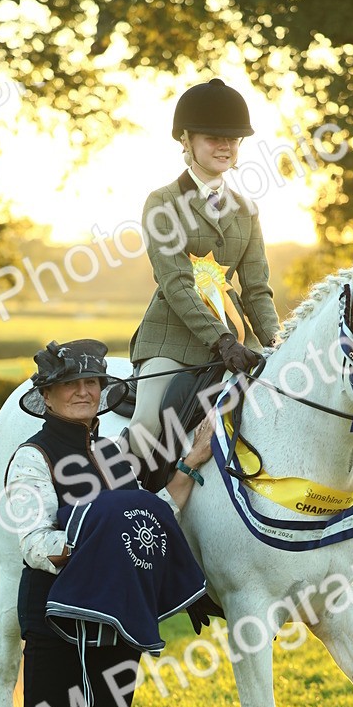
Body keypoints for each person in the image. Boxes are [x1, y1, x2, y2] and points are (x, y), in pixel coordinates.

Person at [0, 338, 214, 707]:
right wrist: (92, 543)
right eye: (71, 384)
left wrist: (192, 459)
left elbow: (154, 510)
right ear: (48, 396)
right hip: (55, 620)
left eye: (91, 383)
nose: (84, 391)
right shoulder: (31, 458)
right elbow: (35, 541)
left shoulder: (114, 454)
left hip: (116, 621)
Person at [128, 77, 280, 459]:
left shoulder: (246, 210)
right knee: (146, 425)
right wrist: (221, 339)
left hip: (234, 345)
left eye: (232, 138)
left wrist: (277, 343)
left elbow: (258, 289)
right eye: (213, 137)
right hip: (172, 340)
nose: (225, 146)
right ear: (186, 140)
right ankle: (130, 509)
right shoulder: (162, 203)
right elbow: (176, 283)